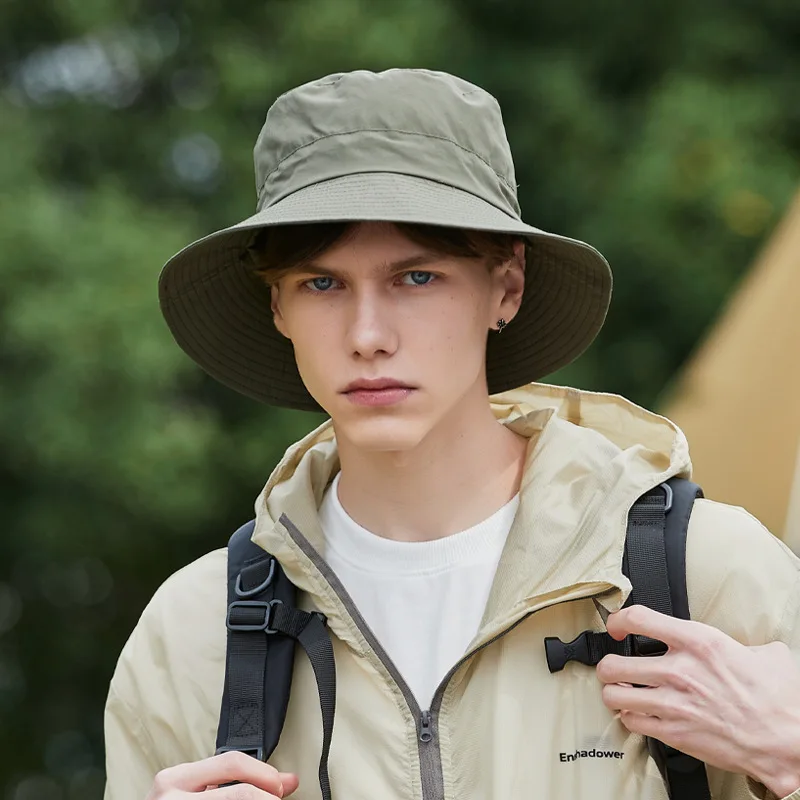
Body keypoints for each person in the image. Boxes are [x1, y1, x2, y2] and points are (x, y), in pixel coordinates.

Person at [103, 68, 800, 800]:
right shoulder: (193, 636)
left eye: (417, 278)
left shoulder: (705, 575)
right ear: (276, 307)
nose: (368, 336)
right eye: (322, 283)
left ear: (507, 286)